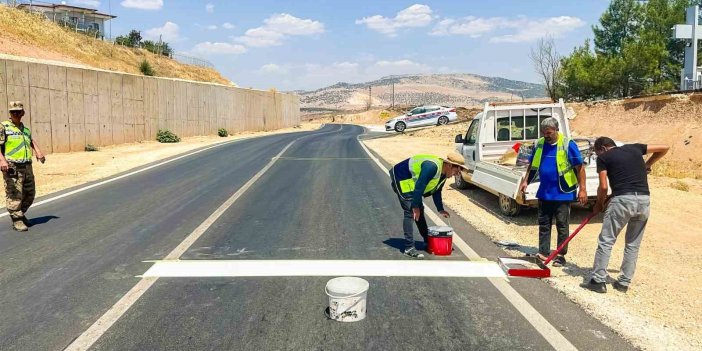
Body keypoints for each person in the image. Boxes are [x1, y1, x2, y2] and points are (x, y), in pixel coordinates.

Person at [581, 137, 668, 293]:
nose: (596, 155)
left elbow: (603, 186)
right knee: (633, 244)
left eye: (596, 152)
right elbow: (665, 147)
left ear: (602, 148)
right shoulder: (635, 148)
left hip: (622, 199)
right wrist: (647, 164)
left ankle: (598, 281)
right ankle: (623, 283)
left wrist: (598, 204)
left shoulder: (604, 158)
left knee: (607, 240)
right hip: (643, 200)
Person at [519, 117, 587, 266]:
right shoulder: (540, 144)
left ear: (556, 130)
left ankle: (560, 255)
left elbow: (579, 167)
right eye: (543, 133)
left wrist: (583, 189)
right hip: (545, 192)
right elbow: (533, 165)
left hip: (563, 192)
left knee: (562, 225)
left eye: (548, 132)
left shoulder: (568, 144)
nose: (546, 135)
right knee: (544, 224)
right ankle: (543, 252)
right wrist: (526, 181)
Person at [390, 152, 466, 259]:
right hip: (402, 177)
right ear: (449, 165)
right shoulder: (432, 167)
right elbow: (420, 185)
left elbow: (437, 191)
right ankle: (409, 248)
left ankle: (427, 241)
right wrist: (415, 206)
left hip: (414, 185)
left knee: (419, 211)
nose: (456, 174)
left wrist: (440, 209)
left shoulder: (443, 174)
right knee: (411, 212)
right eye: (456, 171)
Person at [1, 101, 46, 232]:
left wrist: (38, 152)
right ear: (10, 114)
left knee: (30, 193)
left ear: (23, 113)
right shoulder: (4, 127)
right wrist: (2, 161)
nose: (16, 114)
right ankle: (17, 219)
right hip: (12, 166)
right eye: (13, 112)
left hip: (27, 165)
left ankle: (20, 213)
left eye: (18, 111)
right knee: (15, 194)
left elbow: (30, 140)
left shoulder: (25, 129)